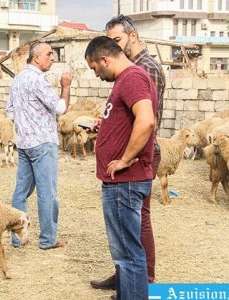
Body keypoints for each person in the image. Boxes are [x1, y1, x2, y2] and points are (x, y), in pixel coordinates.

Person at [90, 14, 165, 290]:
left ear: (105, 60)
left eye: (95, 69)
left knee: (130, 250)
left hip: (128, 178)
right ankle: (129, 286)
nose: (96, 75)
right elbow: (130, 117)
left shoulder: (136, 74)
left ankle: (139, 286)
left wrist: (125, 158)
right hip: (123, 179)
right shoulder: (127, 77)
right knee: (125, 250)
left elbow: (145, 119)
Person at [6, 42, 72, 250]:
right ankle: (48, 239)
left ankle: (17, 237)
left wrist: (26, 125)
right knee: (47, 193)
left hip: (24, 143)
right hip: (43, 143)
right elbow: (60, 108)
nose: (52, 58)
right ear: (36, 58)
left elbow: (10, 112)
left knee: (21, 191)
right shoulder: (38, 80)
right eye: (49, 54)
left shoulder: (17, 79)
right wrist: (66, 86)